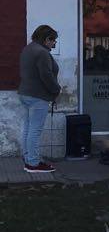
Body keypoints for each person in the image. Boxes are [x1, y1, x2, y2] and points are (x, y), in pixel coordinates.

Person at [18, 25, 60, 173]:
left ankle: (28, 158)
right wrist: (56, 90)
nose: (54, 44)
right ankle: (33, 164)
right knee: (35, 130)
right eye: (53, 40)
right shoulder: (42, 53)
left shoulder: (28, 49)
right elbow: (46, 75)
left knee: (28, 128)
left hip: (25, 93)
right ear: (47, 39)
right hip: (37, 96)